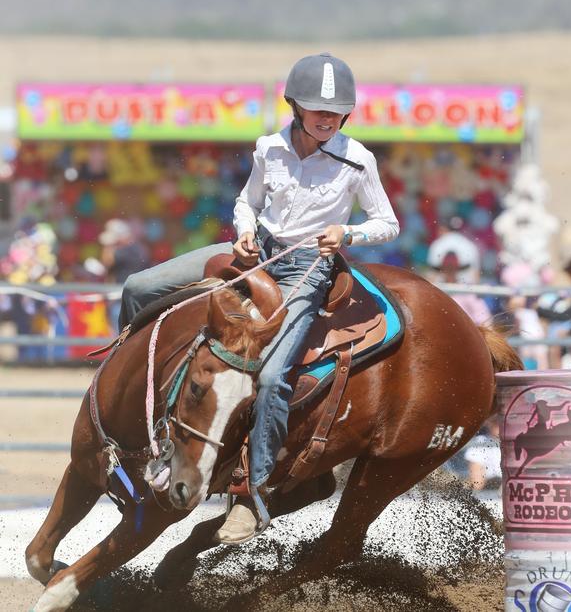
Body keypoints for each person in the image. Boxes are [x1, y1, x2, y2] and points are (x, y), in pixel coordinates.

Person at [118, 53, 399, 543]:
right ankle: (126, 410)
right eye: (316, 108)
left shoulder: (359, 160)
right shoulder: (269, 147)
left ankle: (255, 495)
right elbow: (247, 201)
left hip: (308, 269)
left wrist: (347, 233)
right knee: (138, 287)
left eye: (335, 111)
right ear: (294, 105)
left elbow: (388, 223)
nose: (326, 117)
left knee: (271, 377)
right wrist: (245, 229)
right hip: (256, 251)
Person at [430, 250, 491, 324]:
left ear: (457, 270)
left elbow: (482, 316)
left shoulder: (467, 289)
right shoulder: (434, 290)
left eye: (452, 268)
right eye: (447, 268)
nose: (450, 271)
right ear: (442, 270)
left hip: (466, 330)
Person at [426, 215, 480, 284]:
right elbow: (476, 275)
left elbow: (431, 276)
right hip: (465, 289)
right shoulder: (470, 245)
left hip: (441, 289)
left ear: (444, 228)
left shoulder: (437, 244)